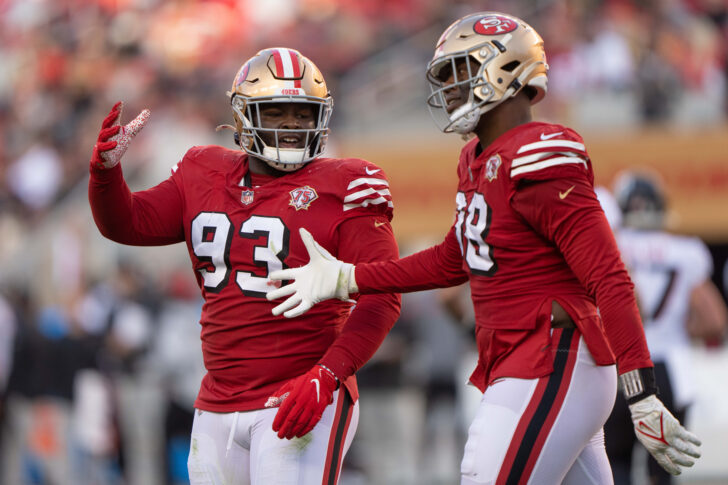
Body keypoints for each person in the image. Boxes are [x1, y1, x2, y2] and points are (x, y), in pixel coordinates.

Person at [265, 12, 702, 484]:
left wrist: (642, 390)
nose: (450, 88)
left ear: (506, 70)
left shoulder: (540, 152)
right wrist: (349, 277)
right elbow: (453, 259)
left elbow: (609, 277)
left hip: (550, 360)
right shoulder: (476, 158)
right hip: (524, 362)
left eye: (460, 71)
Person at [87, 47, 401, 485]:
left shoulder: (347, 183)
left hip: (298, 396)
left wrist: (328, 374)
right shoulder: (202, 169)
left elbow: (383, 296)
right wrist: (106, 175)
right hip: (215, 401)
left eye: (302, 113)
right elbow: (128, 222)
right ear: (242, 115)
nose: (292, 125)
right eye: (276, 111)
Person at [604, 171, 727, 485]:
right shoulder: (686, 251)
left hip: (622, 371)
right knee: (662, 472)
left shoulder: (611, 247)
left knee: (614, 464)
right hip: (671, 369)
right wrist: (679, 328)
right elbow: (714, 321)